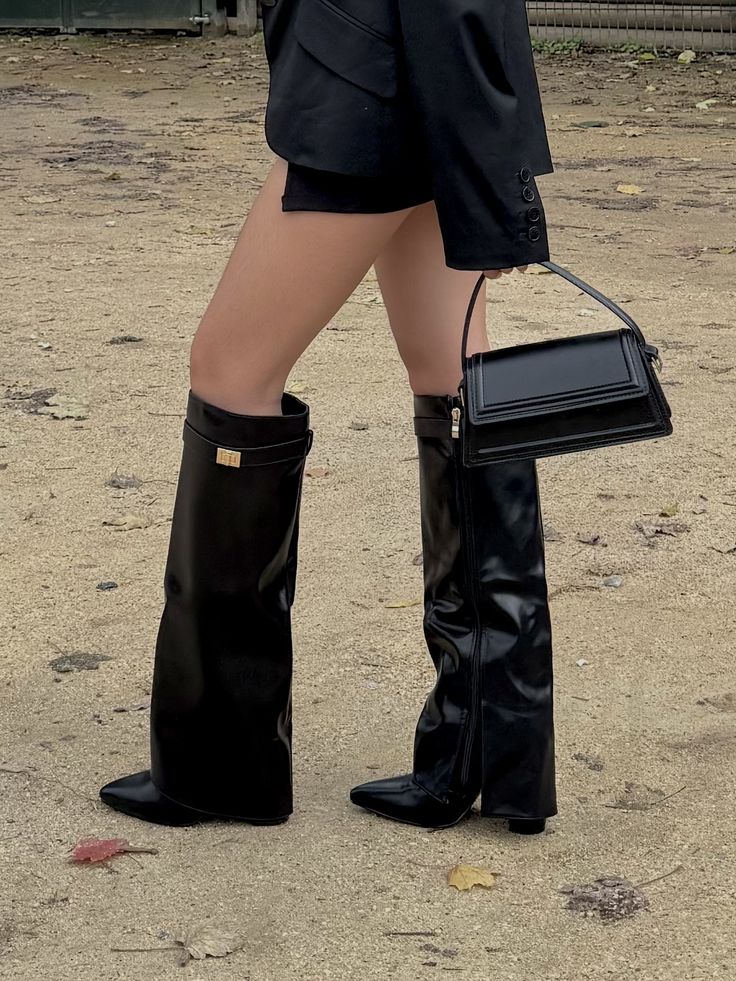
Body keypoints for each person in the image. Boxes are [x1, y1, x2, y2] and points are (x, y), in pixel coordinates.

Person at [99, 0, 556, 836]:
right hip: (435, 83)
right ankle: (489, 749)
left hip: (367, 90)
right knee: (456, 381)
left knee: (231, 372)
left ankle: (219, 764)